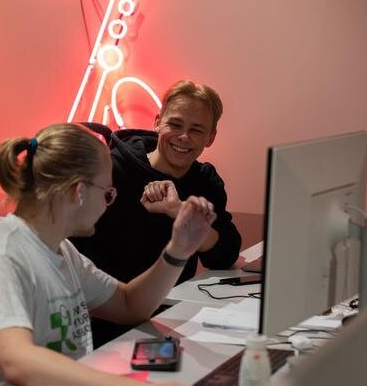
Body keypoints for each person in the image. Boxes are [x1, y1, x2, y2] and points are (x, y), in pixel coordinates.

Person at [0, 123, 215, 386]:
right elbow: (17, 362)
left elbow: (129, 305)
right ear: (79, 192)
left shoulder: (61, 250)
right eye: (107, 194)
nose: (107, 205)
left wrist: (178, 250)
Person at [74, 79, 241, 285]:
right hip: (104, 300)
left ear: (211, 137)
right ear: (158, 122)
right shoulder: (110, 171)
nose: (184, 136)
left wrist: (180, 212)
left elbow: (225, 254)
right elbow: (71, 246)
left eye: (196, 130)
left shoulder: (205, 181)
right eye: (175, 125)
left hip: (173, 302)